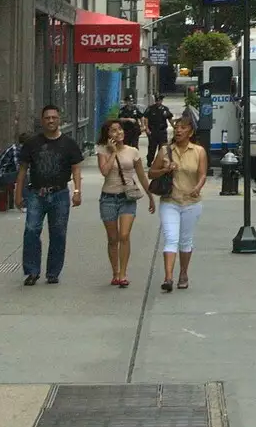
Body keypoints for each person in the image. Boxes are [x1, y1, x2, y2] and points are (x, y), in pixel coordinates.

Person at [14, 105, 83, 286]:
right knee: (31, 230)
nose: (51, 121)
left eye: (54, 117)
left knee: (58, 233)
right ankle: (32, 271)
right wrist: (18, 193)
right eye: (47, 118)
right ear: (42, 120)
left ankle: (53, 272)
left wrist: (77, 191)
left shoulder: (69, 144)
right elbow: (22, 170)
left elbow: (76, 168)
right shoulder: (32, 144)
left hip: (59, 194)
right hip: (36, 194)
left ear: (59, 119)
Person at [151, 114, 207, 292]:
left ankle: (183, 272)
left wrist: (198, 187)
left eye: (183, 128)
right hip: (170, 200)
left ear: (190, 132)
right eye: (176, 128)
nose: (178, 131)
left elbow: (202, 174)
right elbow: (152, 173)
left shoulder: (198, 151)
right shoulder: (165, 151)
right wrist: (166, 169)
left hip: (191, 202)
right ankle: (168, 277)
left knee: (185, 240)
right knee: (171, 238)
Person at [96, 118, 155, 286]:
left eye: (120, 130)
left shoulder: (133, 151)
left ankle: (123, 273)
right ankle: (115, 272)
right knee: (113, 238)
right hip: (108, 198)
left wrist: (150, 196)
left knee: (124, 235)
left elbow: (141, 175)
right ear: (107, 134)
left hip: (127, 198)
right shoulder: (102, 150)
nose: (118, 133)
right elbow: (105, 172)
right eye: (113, 130)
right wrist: (113, 152)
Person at [144, 96, 173, 166]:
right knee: (152, 148)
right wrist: (147, 128)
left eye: (160, 100)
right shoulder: (150, 108)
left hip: (162, 131)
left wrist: (174, 126)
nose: (158, 102)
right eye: (157, 100)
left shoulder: (165, 109)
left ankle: (160, 162)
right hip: (153, 131)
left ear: (162, 101)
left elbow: (169, 118)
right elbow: (146, 118)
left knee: (163, 148)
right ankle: (149, 161)